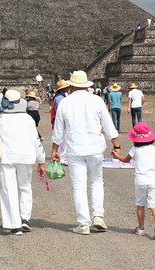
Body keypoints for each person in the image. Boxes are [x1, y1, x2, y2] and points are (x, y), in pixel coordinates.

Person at [52, 71, 121, 235]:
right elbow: (108, 125)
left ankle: (83, 223)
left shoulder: (65, 103)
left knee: (79, 186)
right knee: (97, 181)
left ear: (71, 85)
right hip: (95, 148)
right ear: (86, 84)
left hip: (75, 148)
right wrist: (116, 145)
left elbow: (58, 131)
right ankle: (98, 216)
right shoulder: (96, 100)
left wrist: (54, 149)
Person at [0, 89, 46, 234]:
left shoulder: (0, 119)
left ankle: (14, 224)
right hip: (26, 157)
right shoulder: (28, 119)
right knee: (25, 187)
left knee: (9, 190)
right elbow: (36, 141)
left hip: (6, 157)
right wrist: (41, 161)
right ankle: (25, 218)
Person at [111, 122, 155, 240]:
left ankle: (141, 228)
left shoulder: (135, 149)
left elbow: (125, 160)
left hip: (140, 180)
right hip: (153, 180)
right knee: (154, 204)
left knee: (140, 204)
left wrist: (116, 155)